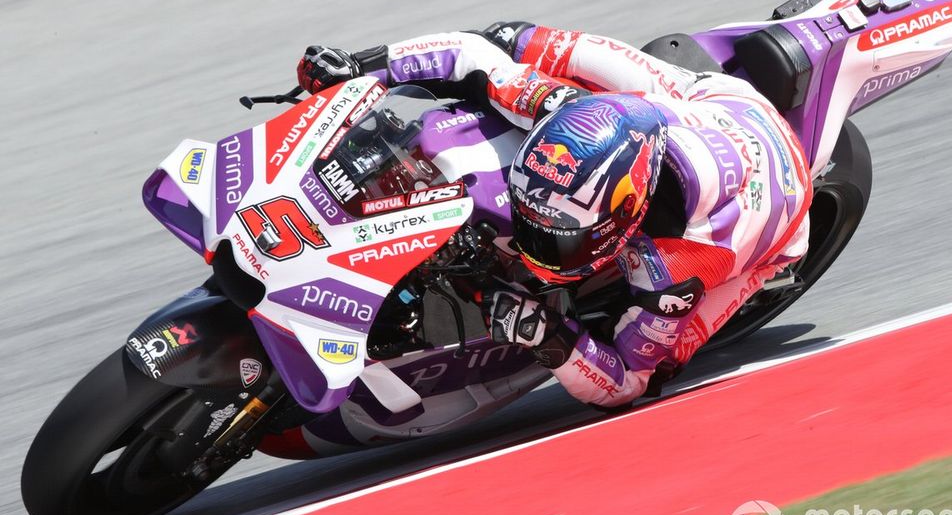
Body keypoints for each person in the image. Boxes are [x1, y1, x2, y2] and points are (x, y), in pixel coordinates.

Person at [295, 22, 813, 407]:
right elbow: (468, 52)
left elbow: (627, 382)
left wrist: (552, 339)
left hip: (779, 215)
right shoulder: (553, 105)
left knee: (662, 366)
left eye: (560, 238)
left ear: (628, 215)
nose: (534, 246)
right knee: (509, 37)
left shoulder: (683, 260)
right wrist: (362, 68)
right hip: (695, 102)